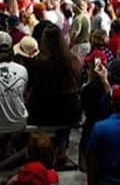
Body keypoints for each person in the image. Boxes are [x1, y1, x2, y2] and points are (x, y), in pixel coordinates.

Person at [25, 23, 82, 161]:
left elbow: (31, 86)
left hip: (44, 112)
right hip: (70, 112)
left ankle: (39, 148)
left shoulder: (39, 62)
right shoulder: (73, 61)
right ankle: (61, 150)